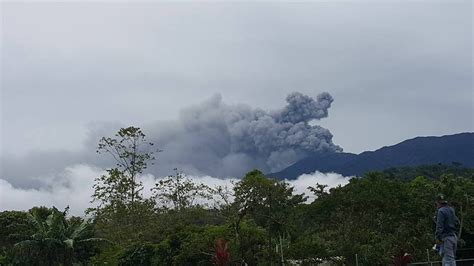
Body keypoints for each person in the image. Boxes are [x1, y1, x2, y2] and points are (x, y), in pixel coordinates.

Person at [435, 194, 460, 266]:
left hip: (446, 238)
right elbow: (456, 222)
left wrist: (438, 237)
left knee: (448, 260)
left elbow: (439, 227)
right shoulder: (452, 209)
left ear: (438, 203)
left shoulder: (441, 211)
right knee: (448, 259)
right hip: (453, 237)